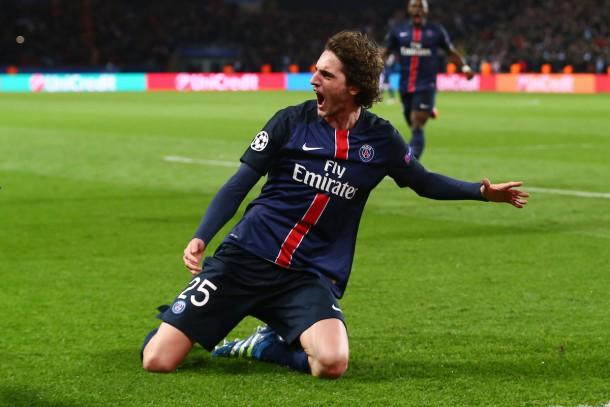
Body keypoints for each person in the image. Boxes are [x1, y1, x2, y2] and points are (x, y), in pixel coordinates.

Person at [141, 30, 528, 379]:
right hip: (245, 258)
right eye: (316, 71)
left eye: (326, 75)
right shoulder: (289, 122)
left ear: (354, 87)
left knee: (332, 363)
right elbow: (239, 184)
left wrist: (481, 192)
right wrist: (201, 236)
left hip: (306, 275)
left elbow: (423, 181)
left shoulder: (380, 139)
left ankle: (263, 346)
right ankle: (178, 322)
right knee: (158, 359)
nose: (314, 80)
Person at [384, 0, 474, 159]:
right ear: (409, 9)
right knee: (412, 122)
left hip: (426, 85)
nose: (417, 10)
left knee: (417, 124)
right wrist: (370, 68)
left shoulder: (436, 31)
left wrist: (465, 67)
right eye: (414, 6)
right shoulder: (398, 31)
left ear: (426, 11)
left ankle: (411, 162)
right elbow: (385, 52)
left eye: (421, 7)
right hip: (405, 86)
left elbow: (450, 51)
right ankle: (429, 109)